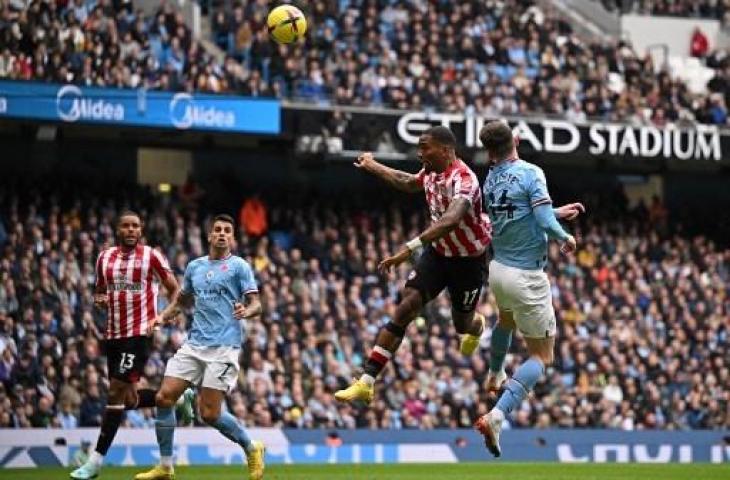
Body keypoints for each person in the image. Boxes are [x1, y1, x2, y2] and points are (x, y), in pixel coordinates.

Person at [334, 126, 492, 405]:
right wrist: (372, 166)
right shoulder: (431, 171)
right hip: (439, 254)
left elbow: (451, 220)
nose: (420, 153)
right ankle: (366, 382)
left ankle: (476, 325)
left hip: (469, 261)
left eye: (425, 147)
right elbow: (407, 182)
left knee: (462, 323)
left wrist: (408, 248)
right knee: (406, 307)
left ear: (445, 150)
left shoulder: (465, 179)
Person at [474, 120, 584, 457]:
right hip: (526, 274)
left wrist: (554, 213)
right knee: (541, 355)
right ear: (516, 140)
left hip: (499, 269)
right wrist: (563, 236)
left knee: (506, 320)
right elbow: (543, 222)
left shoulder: (489, 179)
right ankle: (497, 415)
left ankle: (494, 373)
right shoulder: (531, 172)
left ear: (490, 151)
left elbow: (524, 213)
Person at [134, 214, 265, 480]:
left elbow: (257, 305)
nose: (221, 234)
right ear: (209, 236)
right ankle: (166, 466)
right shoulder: (195, 267)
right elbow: (182, 301)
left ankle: (251, 447)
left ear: (232, 238)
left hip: (224, 347)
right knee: (163, 397)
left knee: (210, 414)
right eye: (217, 229)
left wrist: (245, 311)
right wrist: (161, 316)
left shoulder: (239, 267)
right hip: (194, 344)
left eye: (227, 231)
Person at [71, 211, 187, 480]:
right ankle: (176, 398)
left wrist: (165, 315)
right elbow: (99, 291)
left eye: (135, 226)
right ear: (118, 229)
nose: (131, 230)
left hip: (139, 334)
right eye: (126, 226)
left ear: (141, 229)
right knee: (130, 399)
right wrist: (100, 299)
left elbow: (175, 290)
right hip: (112, 335)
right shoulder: (104, 258)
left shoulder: (152, 256)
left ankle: (95, 462)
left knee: (114, 394)